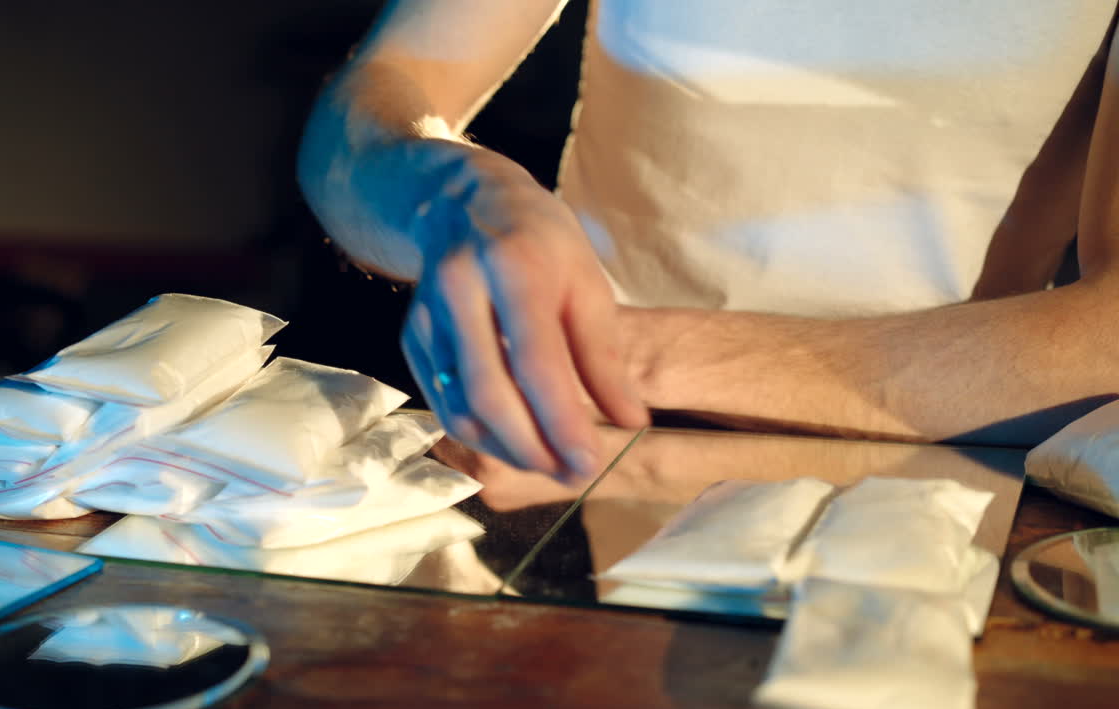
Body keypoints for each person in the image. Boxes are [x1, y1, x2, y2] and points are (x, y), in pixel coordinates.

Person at [298, 0, 1119, 480]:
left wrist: (616, 354)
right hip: (560, 461)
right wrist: (457, 199)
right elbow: (362, 115)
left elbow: (1108, 333)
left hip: (938, 477)